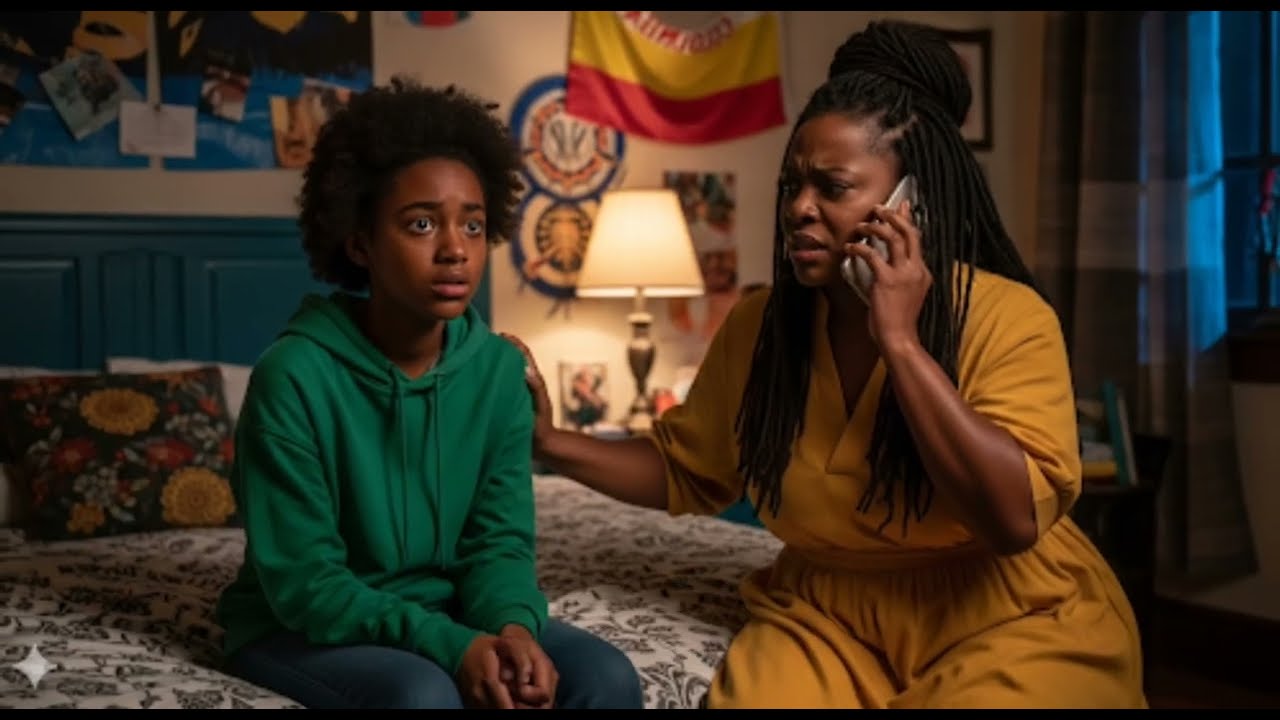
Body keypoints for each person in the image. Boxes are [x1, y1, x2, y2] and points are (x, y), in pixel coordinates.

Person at [504, 20, 1146, 709]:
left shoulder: (1006, 317)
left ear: (910, 203)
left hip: (1007, 614)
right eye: (792, 185)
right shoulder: (761, 327)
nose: (799, 209)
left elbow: (1011, 521)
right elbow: (686, 468)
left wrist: (901, 343)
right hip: (826, 620)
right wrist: (550, 442)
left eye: (832, 188)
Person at [214, 76, 645, 710]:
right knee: (422, 696)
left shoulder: (499, 372)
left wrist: (513, 630)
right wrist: (450, 646)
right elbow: (305, 582)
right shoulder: (294, 377)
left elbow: (498, 545)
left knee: (607, 677)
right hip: (297, 624)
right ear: (360, 242)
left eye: (472, 226)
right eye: (421, 224)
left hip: (449, 611)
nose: (454, 251)